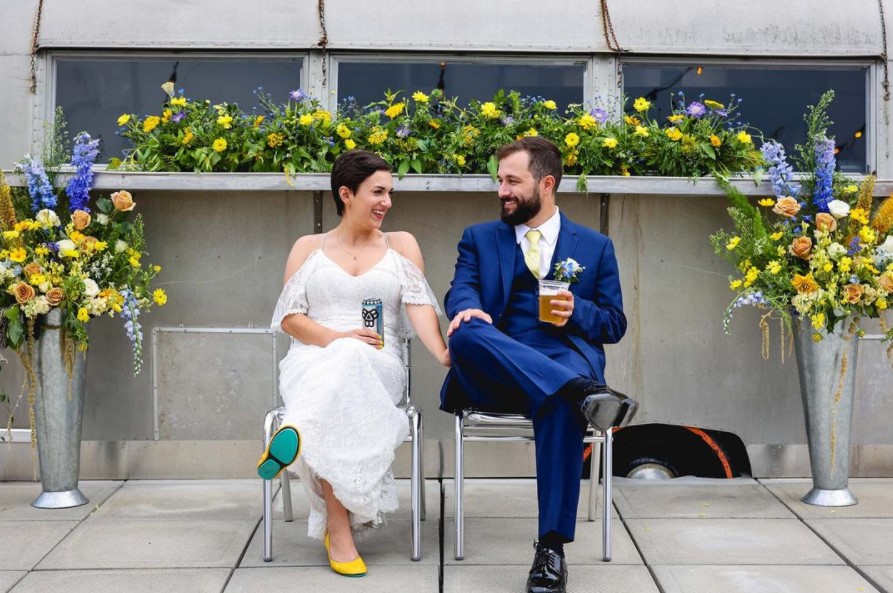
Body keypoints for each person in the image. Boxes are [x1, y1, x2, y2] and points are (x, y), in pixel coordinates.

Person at [440, 136, 638, 593]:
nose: (501, 190)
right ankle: (579, 390)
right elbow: (460, 291)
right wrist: (468, 308)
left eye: (512, 181)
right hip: (492, 367)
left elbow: (614, 323)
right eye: (499, 180)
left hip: (558, 358)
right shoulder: (478, 238)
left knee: (558, 401)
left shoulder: (594, 246)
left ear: (546, 183)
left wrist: (579, 311)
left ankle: (551, 549)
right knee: (467, 330)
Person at [261, 149, 450, 577]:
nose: (387, 202)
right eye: (377, 192)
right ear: (346, 193)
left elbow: (420, 306)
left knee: (349, 366)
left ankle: (297, 431)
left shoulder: (401, 245)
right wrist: (338, 337)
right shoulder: (308, 248)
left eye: (390, 192)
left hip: (379, 361)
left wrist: (442, 352)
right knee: (342, 361)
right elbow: (290, 319)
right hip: (313, 359)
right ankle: (339, 525)